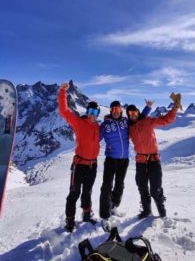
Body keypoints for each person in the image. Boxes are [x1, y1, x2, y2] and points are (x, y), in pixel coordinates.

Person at [127, 93, 182, 218]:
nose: (133, 115)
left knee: (155, 189)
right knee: (142, 187)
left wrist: (175, 108)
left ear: (138, 112)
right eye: (130, 114)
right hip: (140, 161)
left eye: (134, 112)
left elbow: (167, 119)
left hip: (153, 160)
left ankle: (162, 211)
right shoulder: (129, 128)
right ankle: (146, 210)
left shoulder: (148, 121)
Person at [99, 100, 151, 231]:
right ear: (111, 111)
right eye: (114, 109)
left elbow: (139, 118)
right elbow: (94, 137)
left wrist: (148, 108)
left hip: (124, 160)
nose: (116, 111)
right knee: (107, 186)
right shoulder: (105, 125)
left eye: (118, 109)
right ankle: (105, 216)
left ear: (121, 110)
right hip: (111, 159)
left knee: (119, 184)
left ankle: (113, 206)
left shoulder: (125, 121)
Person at [58, 83, 100, 232]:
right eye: (90, 110)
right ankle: (70, 220)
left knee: (87, 191)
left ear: (98, 112)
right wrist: (63, 92)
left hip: (93, 165)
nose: (92, 113)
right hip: (80, 165)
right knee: (74, 193)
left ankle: (87, 214)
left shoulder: (98, 127)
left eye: (95, 111)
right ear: (87, 111)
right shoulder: (79, 123)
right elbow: (64, 111)